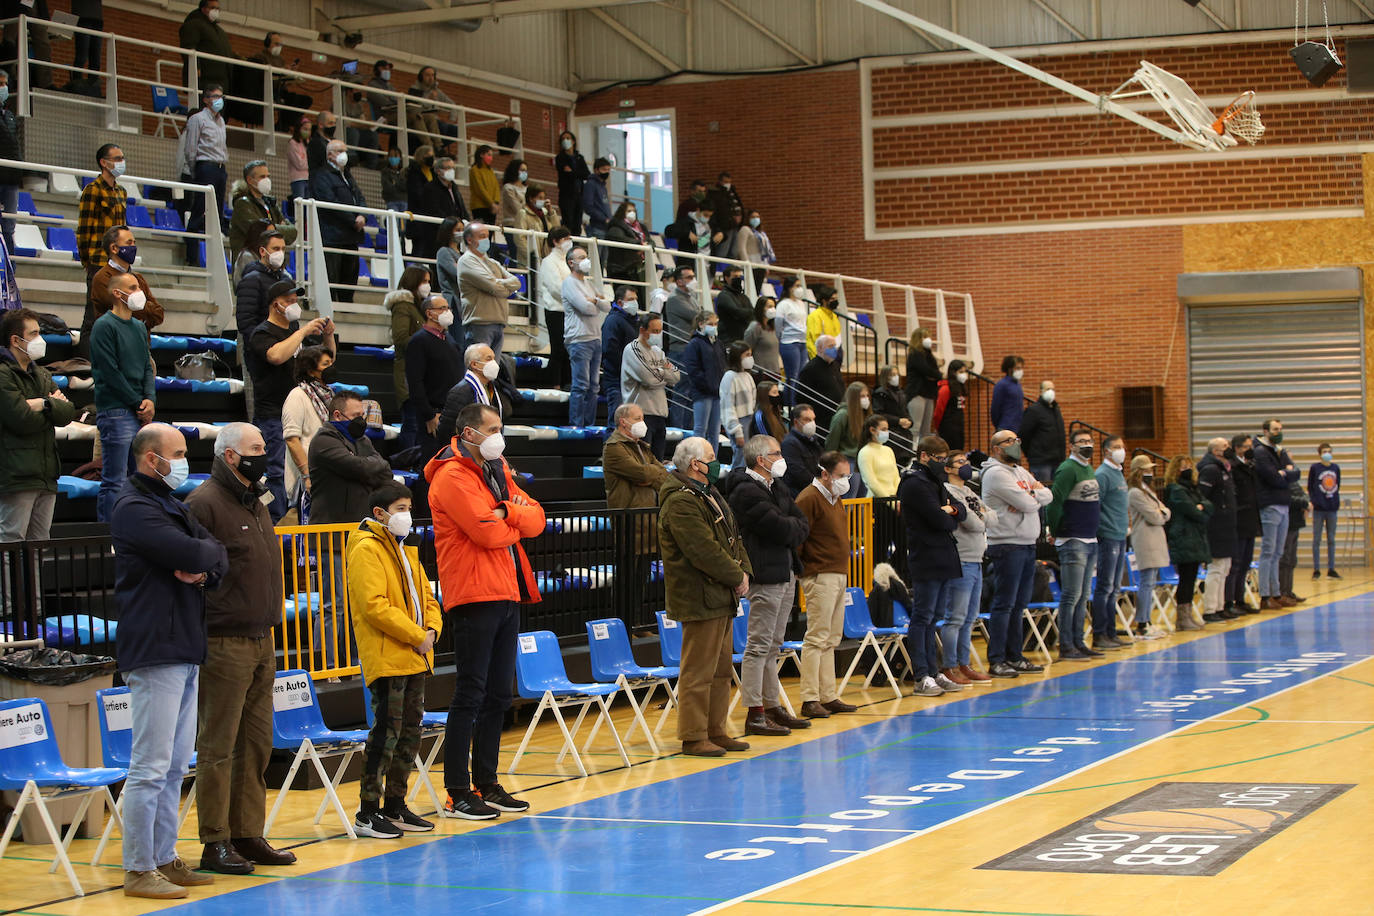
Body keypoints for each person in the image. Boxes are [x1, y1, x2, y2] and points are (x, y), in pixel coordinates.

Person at [111, 423, 228, 900]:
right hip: (155, 646)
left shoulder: (171, 505)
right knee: (150, 766)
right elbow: (192, 549)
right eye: (176, 454)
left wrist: (203, 570)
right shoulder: (135, 508)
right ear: (150, 459)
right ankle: (138, 867)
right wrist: (203, 559)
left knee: (177, 765)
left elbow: (216, 552)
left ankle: (163, 856)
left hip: (184, 644)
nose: (183, 462)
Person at [184, 423, 296, 875]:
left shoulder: (257, 499)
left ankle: (248, 833)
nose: (263, 454)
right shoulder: (204, 504)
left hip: (262, 638)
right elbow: (190, 573)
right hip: (223, 640)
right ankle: (215, 840)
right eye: (256, 448)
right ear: (230, 456)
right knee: (218, 745)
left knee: (256, 744)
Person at [426, 403, 542, 818]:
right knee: (470, 694)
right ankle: (458, 789)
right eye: (492, 428)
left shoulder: (498, 468)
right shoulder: (452, 475)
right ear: (469, 433)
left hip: (506, 590)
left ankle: (487, 782)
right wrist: (511, 521)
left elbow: (538, 518)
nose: (499, 434)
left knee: (498, 695)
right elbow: (486, 533)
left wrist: (507, 511)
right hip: (473, 594)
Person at [348, 482, 443, 838]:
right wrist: (417, 635)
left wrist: (432, 628)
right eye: (400, 508)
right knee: (385, 734)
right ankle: (368, 812)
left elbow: (428, 597)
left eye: (408, 507)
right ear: (379, 513)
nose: (407, 515)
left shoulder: (406, 549)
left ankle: (396, 804)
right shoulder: (366, 548)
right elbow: (375, 606)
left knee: (410, 734)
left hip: (417, 655)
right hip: (389, 657)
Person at [658, 436, 753, 757]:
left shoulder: (707, 493)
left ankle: (716, 729)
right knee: (698, 672)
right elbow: (703, 550)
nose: (716, 462)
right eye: (710, 457)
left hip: (720, 594)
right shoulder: (680, 501)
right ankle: (693, 735)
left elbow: (733, 537)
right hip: (698, 595)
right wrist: (734, 575)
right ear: (694, 464)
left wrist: (744, 572)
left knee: (721, 670)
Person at [724, 435, 811, 737]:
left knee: (774, 644)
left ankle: (772, 705)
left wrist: (792, 528)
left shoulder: (777, 486)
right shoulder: (746, 491)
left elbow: (801, 522)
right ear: (761, 460)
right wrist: (792, 528)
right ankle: (754, 711)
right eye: (776, 453)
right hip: (764, 573)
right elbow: (780, 526)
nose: (781, 458)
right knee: (758, 645)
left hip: (785, 571)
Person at [246, 281, 335, 521]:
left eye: (296, 300)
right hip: (272, 413)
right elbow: (276, 356)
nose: (295, 305)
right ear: (276, 304)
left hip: (301, 411)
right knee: (276, 472)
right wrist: (303, 332)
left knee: (302, 472)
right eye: (290, 300)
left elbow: (324, 362)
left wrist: (328, 337)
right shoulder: (262, 333)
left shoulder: (294, 330)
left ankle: (299, 517)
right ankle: (275, 524)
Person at [899, 435, 968, 696]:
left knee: (935, 618)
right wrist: (949, 514)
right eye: (939, 459)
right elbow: (941, 521)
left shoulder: (935, 481)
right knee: (923, 617)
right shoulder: (914, 483)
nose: (942, 464)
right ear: (924, 456)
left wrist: (950, 511)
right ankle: (921, 675)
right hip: (926, 557)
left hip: (943, 556)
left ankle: (934, 670)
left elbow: (960, 509)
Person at [793, 451, 859, 719]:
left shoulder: (836, 498)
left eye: (848, 476)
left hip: (838, 572)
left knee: (832, 637)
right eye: (841, 476)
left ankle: (828, 695)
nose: (846, 481)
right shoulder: (809, 498)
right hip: (819, 574)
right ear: (825, 474)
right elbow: (798, 537)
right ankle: (809, 698)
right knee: (817, 637)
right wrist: (803, 570)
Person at [0, 308, 75, 540]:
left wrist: (41, 404)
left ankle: (33, 580)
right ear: (15, 340)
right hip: (16, 473)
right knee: (11, 541)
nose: (40, 339)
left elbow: (67, 413)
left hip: (47, 474)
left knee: (39, 544)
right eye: (34, 333)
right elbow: (20, 418)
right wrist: (50, 403)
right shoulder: (3, 374)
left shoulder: (42, 374)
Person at [980, 430, 1050, 677]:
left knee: (1020, 604)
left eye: (1017, 440)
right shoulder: (996, 473)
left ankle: (1015, 655)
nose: (1015, 444)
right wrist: (1032, 495)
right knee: (1005, 603)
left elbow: (1046, 495)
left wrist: (1032, 495)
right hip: (1007, 544)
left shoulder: (1020, 471)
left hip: (1027, 543)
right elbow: (1030, 503)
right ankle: (997, 658)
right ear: (996, 447)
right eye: (1009, 441)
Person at [91, 272, 156, 523]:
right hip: (117, 409)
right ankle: (110, 538)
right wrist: (137, 402)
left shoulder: (139, 327)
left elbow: (147, 367)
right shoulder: (104, 326)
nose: (139, 291)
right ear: (118, 293)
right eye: (132, 287)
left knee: (137, 480)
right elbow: (109, 372)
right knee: (114, 479)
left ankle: (132, 532)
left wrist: (150, 399)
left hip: (138, 409)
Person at [1047, 428, 1101, 661]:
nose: (1086, 444)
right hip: (1073, 538)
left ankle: (1079, 641)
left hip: (1090, 538)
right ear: (1071, 446)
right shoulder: (1067, 469)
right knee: (1071, 594)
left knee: (1083, 594)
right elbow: (1054, 502)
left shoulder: (1088, 467)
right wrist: (1055, 529)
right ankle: (1066, 644)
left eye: (1089, 441)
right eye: (1081, 441)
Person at [942, 451, 994, 685]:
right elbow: (972, 523)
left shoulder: (970, 491)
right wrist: (981, 516)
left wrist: (981, 516)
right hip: (961, 558)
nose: (966, 466)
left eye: (967, 462)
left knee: (970, 617)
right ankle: (949, 666)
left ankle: (964, 663)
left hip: (977, 558)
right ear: (948, 468)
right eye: (960, 463)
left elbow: (994, 518)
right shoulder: (949, 491)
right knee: (956, 617)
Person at [77, 143, 128, 350]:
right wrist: (87, 261)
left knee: (120, 315)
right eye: (117, 159)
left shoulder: (122, 192)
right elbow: (84, 230)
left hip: (120, 263)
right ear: (103, 163)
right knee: (93, 317)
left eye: (122, 158)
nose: (121, 162)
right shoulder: (92, 190)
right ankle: (85, 362)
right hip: (98, 262)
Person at [406, 293, 465, 460]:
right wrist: (429, 414)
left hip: (452, 411)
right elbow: (415, 382)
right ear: (429, 313)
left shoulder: (449, 339)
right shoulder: (419, 341)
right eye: (442, 308)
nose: (447, 311)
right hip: (434, 413)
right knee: (432, 462)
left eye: (448, 308)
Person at [311, 139, 368, 303]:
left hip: (351, 236)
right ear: (329, 155)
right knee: (333, 276)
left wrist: (362, 215)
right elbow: (330, 203)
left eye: (345, 150)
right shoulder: (322, 175)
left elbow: (360, 197)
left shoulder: (347, 175)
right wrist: (352, 220)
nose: (344, 154)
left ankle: (347, 305)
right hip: (333, 235)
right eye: (339, 150)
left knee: (350, 275)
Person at [179, 85, 229, 265]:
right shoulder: (197, 119)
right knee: (199, 211)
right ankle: (192, 257)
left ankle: (214, 260)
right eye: (215, 96)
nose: (219, 100)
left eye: (221, 96)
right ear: (206, 99)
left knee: (217, 214)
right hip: (205, 166)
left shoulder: (221, 121)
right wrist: (196, 171)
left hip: (220, 167)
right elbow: (190, 149)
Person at [1089, 435, 1130, 648]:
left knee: (1114, 587)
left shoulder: (1118, 473)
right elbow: (1097, 505)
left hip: (1121, 534)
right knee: (1105, 586)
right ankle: (1100, 633)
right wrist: (1105, 528)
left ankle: (1111, 632)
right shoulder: (1103, 474)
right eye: (1116, 447)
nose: (1120, 450)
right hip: (1108, 536)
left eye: (1122, 447)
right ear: (1106, 451)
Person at [1253, 418, 1299, 609]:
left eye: (1280, 429)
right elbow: (1273, 478)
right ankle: (1265, 595)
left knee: (1279, 552)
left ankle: (1276, 592)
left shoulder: (1279, 450)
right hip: (1270, 504)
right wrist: (1284, 473)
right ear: (1265, 431)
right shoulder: (1260, 452)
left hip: (1284, 504)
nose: (1278, 432)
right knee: (1268, 551)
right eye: (1274, 429)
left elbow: (1296, 473)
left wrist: (1286, 473)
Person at [281, 346, 333, 514]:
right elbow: (291, 439)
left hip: (327, 474)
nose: (331, 367)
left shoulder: (329, 394)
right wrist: (306, 474)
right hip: (307, 480)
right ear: (311, 371)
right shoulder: (298, 395)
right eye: (326, 364)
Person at [562, 245, 610, 428]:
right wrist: (595, 303)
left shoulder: (588, 284)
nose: (586, 260)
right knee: (581, 385)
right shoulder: (568, 283)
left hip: (595, 338)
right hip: (579, 339)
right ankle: (576, 424)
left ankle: (589, 424)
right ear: (571, 262)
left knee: (594, 386)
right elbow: (586, 308)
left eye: (586, 256)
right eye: (581, 257)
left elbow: (606, 306)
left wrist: (596, 300)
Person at [1164, 454, 1213, 630]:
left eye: (1189, 466)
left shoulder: (1193, 488)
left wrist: (1202, 506)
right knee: (1185, 579)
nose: (1187, 470)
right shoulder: (1175, 489)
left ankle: (1188, 614)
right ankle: (1182, 618)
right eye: (1183, 467)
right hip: (1183, 537)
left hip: (1195, 537)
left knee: (1191, 578)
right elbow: (1194, 511)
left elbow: (1208, 506)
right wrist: (1200, 507)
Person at [458, 222, 521, 358]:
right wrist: (503, 288)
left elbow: (516, 282)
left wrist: (498, 285)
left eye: (487, 235)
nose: (486, 239)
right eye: (481, 236)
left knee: (492, 372)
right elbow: (493, 286)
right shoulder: (467, 261)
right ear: (469, 240)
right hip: (480, 323)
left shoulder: (492, 262)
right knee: (478, 368)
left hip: (499, 322)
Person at [622, 313, 680, 460]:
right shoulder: (633, 349)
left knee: (658, 464)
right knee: (643, 464)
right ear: (642, 330)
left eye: (660, 331)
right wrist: (664, 374)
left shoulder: (658, 352)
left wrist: (658, 373)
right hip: (640, 414)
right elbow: (648, 379)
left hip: (660, 414)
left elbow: (676, 376)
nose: (658, 335)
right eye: (654, 331)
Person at [1126, 455, 1171, 639]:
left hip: (1156, 538)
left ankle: (1148, 620)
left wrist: (1161, 513)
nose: (1149, 474)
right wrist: (1161, 514)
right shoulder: (1135, 493)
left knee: (1151, 582)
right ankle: (1142, 623)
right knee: (1146, 582)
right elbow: (1156, 516)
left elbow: (1166, 511)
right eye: (1146, 470)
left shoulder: (1148, 490)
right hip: (1145, 539)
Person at [90, 225, 167, 332]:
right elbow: (121, 310)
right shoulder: (102, 278)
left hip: (141, 343)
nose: (133, 247)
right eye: (129, 243)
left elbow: (159, 314)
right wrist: (146, 310)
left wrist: (138, 307)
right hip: (116, 341)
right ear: (114, 248)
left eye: (134, 243)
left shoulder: (138, 278)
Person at [1196, 436, 1239, 624]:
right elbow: (1202, 497)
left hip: (1228, 524)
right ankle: (1210, 609)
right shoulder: (1210, 469)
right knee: (1215, 567)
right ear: (1215, 451)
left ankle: (1220, 607)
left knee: (1225, 568)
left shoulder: (1225, 468)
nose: (1229, 449)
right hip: (1216, 525)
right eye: (1225, 446)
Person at [387, 265, 431, 446]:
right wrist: (427, 339)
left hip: (421, 374)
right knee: (411, 423)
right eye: (424, 281)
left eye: (429, 282)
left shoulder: (418, 306)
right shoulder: (403, 306)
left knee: (419, 424)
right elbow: (401, 338)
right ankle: (406, 466)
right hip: (407, 373)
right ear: (413, 281)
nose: (427, 286)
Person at [436, 344, 513, 444]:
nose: (494, 363)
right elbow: (446, 430)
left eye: (494, 358)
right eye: (488, 359)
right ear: (474, 364)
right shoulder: (460, 392)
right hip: (466, 451)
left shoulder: (493, 387)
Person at [228, 160, 295, 260]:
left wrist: (271, 228)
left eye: (268, 176)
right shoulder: (242, 204)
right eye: (262, 177)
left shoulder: (271, 204)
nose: (267, 180)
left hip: (273, 263)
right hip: (250, 264)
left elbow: (293, 231)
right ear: (250, 180)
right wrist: (278, 228)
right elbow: (258, 232)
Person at [1225, 434, 1262, 615]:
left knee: (1246, 562)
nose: (1250, 450)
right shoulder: (1232, 466)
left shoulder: (1249, 465)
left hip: (1250, 519)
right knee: (1236, 563)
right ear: (1238, 448)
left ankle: (1240, 599)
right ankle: (1230, 601)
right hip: (1239, 519)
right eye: (1247, 447)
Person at [662, 266, 700, 430]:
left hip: (690, 349)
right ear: (679, 281)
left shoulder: (690, 297)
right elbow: (698, 316)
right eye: (689, 277)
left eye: (693, 276)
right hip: (680, 350)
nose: (693, 279)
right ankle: (679, 430)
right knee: (681, 393)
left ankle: (690, 430)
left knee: (692, 393)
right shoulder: (675, 298)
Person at [681, 311, 724, 446]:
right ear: (701, 324)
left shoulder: (718, 343)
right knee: (700, 430)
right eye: (710, 324)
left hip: (717, 394)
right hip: (702, 394)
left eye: (716, 324)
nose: (714, 326)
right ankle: (698, 462)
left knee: (714, 433)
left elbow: (723, 366)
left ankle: (713, 463)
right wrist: (709, 385)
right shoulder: (694, 344)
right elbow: (693, 371)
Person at [600, 286, 640, 420]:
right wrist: (627, 369)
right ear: (620, 302)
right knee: (617, 422)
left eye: (636, 299)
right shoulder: (613, 321)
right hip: (616, 379)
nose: (634, 302)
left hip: (630, 379)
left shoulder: (632, 321)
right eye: (631, 299)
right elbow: (610, 350)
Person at [178, 0, 235, 92]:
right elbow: (189, 47)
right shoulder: (194, 25)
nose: (215, 11)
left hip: (221, 83)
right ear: (203, 9)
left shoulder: (219, 31)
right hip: (204, 82)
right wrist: (195, 68)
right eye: (212, 8)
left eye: (217, 8)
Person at [825, 382, 871, 496]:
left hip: (861, 461)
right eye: (862, 396)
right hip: (847, 461)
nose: (866, 399)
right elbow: (832, 443)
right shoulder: (842, 415)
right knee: (850, 498)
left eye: (867, 396)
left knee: (863, 499)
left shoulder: (864, 415)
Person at [539, 227, 574, 368]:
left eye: (569, 239)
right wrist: (573, 299)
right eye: (565, 239)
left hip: (568, 310)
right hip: (555, 310)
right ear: (555, 241)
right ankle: (555, 384)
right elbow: (555, 288)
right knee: (558, 348)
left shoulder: (566, 261)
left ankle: (566, 383)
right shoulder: (548, 261)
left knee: (568, 350)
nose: (569, 242)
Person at [720, 342, 757, 472]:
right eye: (747, 355)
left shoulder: (747, 376)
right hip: (739, 423)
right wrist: (737, 431)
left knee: (747, 458)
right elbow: (728, 407)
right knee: (740, 458)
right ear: (738, 357)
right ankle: (734, 485)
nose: (750, 358)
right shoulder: (729, 377)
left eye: (750, 355)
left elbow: (752, 401)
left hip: (749, 420)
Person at [1020, 380, 1065, 484]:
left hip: (1057, 460)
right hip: (1041, 462)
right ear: (1040, 392)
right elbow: (1024, 434)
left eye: (1053, 389)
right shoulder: (1033, 410)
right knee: (1043, 491)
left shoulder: (1056, 410)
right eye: (1048, 389)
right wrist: (1032, 454)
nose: (1051, 392)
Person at [797, 334, 845, 432]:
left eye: (835, 346)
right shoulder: (810, 369)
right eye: (830, 346)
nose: (834, 350)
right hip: (822, 419)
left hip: (837, 415)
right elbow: (801, 397)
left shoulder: (835, 365)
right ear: (819, 348)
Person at [1308, 443, 1341, 578]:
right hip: (1318, 509)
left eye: (1329, 451)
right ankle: (1316, 569)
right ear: (1320, 454)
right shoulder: (1315, 468)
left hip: (1332, 508)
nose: (1327, 453)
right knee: (1317, 539)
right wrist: (1315, 502)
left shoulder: (1335, 468)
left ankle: (1331, 569)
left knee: (1331, 539)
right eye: (1324, 451)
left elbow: (1337, 485)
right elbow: (1310, 486)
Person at [904, 328, 941, 437]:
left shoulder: (929, 355)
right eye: (925, 337)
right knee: (915, 427)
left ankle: (923, 451)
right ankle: (912, 450)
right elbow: (927, 370)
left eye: (928, 336)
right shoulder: (915, 354)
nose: (928, 339)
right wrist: (932, 375)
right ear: (918, 339)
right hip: (917, 393)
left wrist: (933, 375)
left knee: (926, 429)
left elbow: (937, 374)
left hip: (929, 393)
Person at [776, 281, 808, 407]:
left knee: (800, 375)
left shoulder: (801, 303)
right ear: (789, 288)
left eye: (800, 285)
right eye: (796, 285)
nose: (799, 288)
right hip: (789, 342)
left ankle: (797, 403)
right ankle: (790, 405)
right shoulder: (783, 304)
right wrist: (781, 337)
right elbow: (778, 323)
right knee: (792, 376)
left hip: (802, 342)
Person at [1279, 478, 1310, 605]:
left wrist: (1305, 503)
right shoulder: (1279, 476)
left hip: (1296, 522)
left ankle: (1288, 591)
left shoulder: (1293, 479)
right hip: (1286, 521)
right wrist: (1303, 503)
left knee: (1291, 559)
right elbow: (1286, 498)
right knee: (1284, 558)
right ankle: (1281, 592)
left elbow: (1302, 494)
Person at [780, 405, 823, 497]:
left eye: (813, 419)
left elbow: (821, 465)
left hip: (814, 491)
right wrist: (821, 486)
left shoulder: (813, 441)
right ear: (796, 422)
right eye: (807, 419)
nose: (812, 423)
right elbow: (798, 473)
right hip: (799, 494)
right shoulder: (789, 443)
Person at [0, 70, 21, 254]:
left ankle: (9, 270)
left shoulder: (10, 116)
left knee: (8, 227)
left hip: (11, 178)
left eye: (5, 84)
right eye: (0, 84)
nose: (3, 88)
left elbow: (15, 145)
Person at [856, 414, 899, 499]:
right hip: (877, 501)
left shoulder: (888, 450)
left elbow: (896, 477)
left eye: (887, 429)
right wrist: (889, 501)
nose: (886, 432)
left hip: (894, 499)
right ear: (872, 430)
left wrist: (897, 497)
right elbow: (872, 483)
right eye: (883, 429)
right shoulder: (865, 452)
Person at [605, 201, 647, 286]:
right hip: (621, 269)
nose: (632, 213)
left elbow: (650, 241)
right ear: (622, 212)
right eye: (629, 211)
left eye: (634, 211)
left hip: (636, 268)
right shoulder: (615, 226)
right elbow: (621, 239)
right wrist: (639, 245)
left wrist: (647, 246)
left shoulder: (641, 227)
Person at [554, 131, 589, 232]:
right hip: (566, 195)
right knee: (568, 222)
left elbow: (586, 174)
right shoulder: (560, 158)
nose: (566, 141)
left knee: (577, 223)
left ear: (573, 141)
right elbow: (565, 173)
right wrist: (577, 173)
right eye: (563, 139)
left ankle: (576, 245)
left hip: (579, 194)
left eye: (568, 138)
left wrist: (572, 172)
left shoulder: (579, 157)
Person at [733, 209, 776, 287]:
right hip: (751, 263)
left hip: (761, 264)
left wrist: (767, 266)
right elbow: (741, 248)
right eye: (753, 217)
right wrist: (747, 263)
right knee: (750, 288)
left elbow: (765, 250)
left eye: (757, 217)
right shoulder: (745, 229)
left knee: (758, 289)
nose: (756, 219)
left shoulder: (761, 233)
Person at [744, 293, 782, 380]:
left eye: (773, 306)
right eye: (769, 306)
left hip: (775, 372)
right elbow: (746, 349)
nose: (772, 309)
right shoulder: (755, 327)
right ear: (761, 309)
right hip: (760, 373)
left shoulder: (772, 327)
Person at [435, 218, 464, 328]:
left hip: (463, 302)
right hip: (453, 302)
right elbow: (458, 274)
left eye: (463, 229)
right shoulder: (444, 252)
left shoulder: (462, 255)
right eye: (458, 229)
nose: (461, 233)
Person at [714, 266, 753, 347]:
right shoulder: (723, 296)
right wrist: (750, 312)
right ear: (727, 278)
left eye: (739, 277)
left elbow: (752, 315)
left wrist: (750, 313)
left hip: (743, 340)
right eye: (735, 277)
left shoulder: (744, 297)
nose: (738, 279)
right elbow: (737, 312)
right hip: (728, 341)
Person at [989, 355, 1025, 432]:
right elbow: (995, 408)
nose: (1021, 371)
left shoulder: (1017, 385)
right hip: (1006, 426)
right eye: (1018, 368)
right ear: (1010, 369)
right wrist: (999, 425)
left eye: (1021, 368)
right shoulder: (1002, 385)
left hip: (1017, 427)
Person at [938, 360, 969, 450]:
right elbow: (939, 410)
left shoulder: (960, 388)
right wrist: (938, 427)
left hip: (959, 425)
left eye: (965, 372)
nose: (964, 374)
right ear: (953, 373)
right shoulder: (946, 388)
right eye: (961, 372)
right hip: (948, 427)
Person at [805, 285, 840, 358]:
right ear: (824, 301)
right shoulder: (815, 315)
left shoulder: (834, 316)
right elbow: (816, 340)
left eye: (836, 299)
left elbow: (837, 335)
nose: (835, 301)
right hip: (820, 356)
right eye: (832, 299)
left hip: (833, 355)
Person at [582, 156, 612, 240]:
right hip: (597, 228)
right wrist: (603, 219)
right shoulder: (591, 185)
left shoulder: (603, 186)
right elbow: (588, 206)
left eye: (608, 170)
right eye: (604, 169)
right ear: (596, 170)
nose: (606, 172)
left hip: (605, 228)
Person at [467, 145, 500, 222]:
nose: (491, 158)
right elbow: (480, 189)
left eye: (492, 155)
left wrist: (496, 202)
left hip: (492, 207)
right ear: (481, 155)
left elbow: (496, 187)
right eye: (488, 155)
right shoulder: (475, 170)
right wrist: (491, 203)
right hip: (479, 206)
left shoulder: (490, 170)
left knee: (490, 231)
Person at [286, 118, 311, 215]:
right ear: (299, 129)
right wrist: (309, 163)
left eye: (309, 130)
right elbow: (299, 164)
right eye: (305, 129)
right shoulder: (292, 143)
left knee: (308, 207)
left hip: (308, 178)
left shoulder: (307, 143)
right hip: (298, 180)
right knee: (299, 206)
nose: (307, 132)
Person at [498, 158, 528, 232]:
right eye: (522, 170)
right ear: (514, 170)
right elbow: (516, 207)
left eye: (525, 170)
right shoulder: (508, 187)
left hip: (525, 224)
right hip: (511, 223)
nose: (524, 173)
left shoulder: (527, 188)